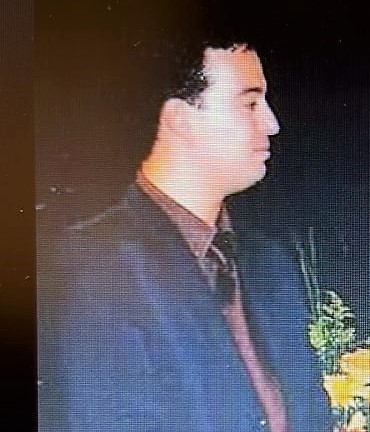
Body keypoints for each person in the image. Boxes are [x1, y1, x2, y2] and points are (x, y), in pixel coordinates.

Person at [38, 37, 328, 431]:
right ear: (180, 119)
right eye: (250, 103)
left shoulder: (270, 262)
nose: (272, 123)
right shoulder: (94, 268)